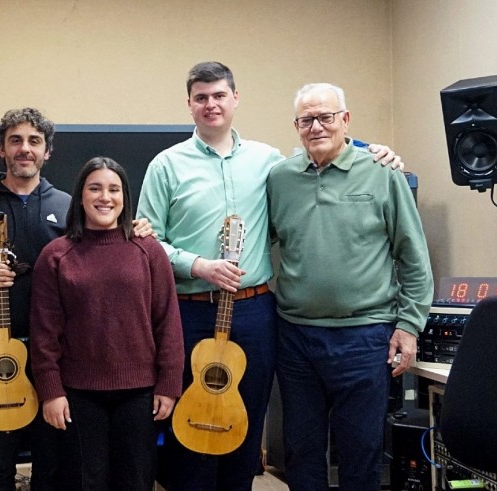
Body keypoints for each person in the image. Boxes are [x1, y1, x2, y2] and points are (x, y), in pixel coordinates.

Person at [136, 61, 400, 491]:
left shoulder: (270, 162)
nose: (211, 104)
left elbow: (326, 150)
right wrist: (198, 265)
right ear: (189, 104)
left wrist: (375, 151)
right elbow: (148, 243)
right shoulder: (166, 165)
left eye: (219, 95)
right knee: (189, 425)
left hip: (254, 311)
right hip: (190, 311)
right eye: (201, 97)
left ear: (235, 99)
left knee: (247, 420)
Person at [0, 108, 157, 490]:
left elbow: (102, 248)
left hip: (59, 357)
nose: (25, 149)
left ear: (47, 151)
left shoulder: (66, 205)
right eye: (15, 140)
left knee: (53, 461)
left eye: (34, 141)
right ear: (1, 149)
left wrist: (134, 228)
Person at [267, 82, 433, 490]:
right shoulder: (279, 178)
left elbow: (413, 257)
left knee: (361, 452)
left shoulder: (382, 173)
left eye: (326, 117)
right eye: (306, 120)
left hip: (364, 336)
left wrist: (409, 326)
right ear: (296, 126)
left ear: (345, 119)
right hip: (296, 338)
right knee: (300, 452)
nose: (316, 127)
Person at [30, 156, 184, 491]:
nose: (105, 197)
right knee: (84, 482)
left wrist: (169, 384)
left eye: (114, 189)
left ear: (125, 197)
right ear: (80, 196)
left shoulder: (149, 251)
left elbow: (168, 322)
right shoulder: (56, 255)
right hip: (77, 393)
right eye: (95, 188)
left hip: (140, 393)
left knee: (136, 481)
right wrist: (51, 391)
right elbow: (44, 333)